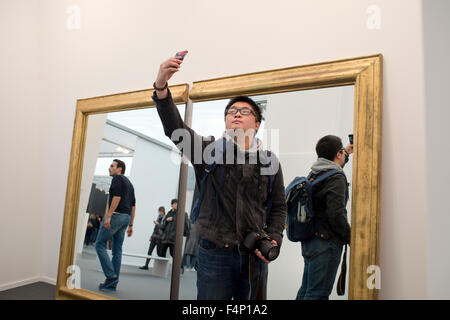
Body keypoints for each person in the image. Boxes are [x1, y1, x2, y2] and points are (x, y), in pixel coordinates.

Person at [151, 56, 287, 300]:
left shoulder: (270, 161)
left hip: (254, 256)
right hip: (214, 255)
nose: (236, 114)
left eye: (245, 112)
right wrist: (161, 88)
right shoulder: (207, 150)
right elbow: (174, 129)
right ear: (225, 120)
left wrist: (275, 238)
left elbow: (278, 206)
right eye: (231, 111)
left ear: (256, 124)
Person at [296, 135, 352, 300]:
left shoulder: (315, 173)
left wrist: (346, 152)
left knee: (306, 291)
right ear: (338, 154)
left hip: (310, 242)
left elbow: (332, 165)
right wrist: (350, 237)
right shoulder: (336, 177)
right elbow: (336, 214)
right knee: (317, 295)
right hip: (326, 244)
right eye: (341, 151)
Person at [95, 159, 136, 292]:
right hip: (126, 218)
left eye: (112, 166)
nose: (109, 168)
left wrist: (108, 216)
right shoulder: (130, 183)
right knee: (117, 251)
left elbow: (116, 197)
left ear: (119, 169)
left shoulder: (117, 179)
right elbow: (133, 205)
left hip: (117, 216)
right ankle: (112, 284)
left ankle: (111, 276)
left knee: (99, 244)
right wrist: (131, 225)